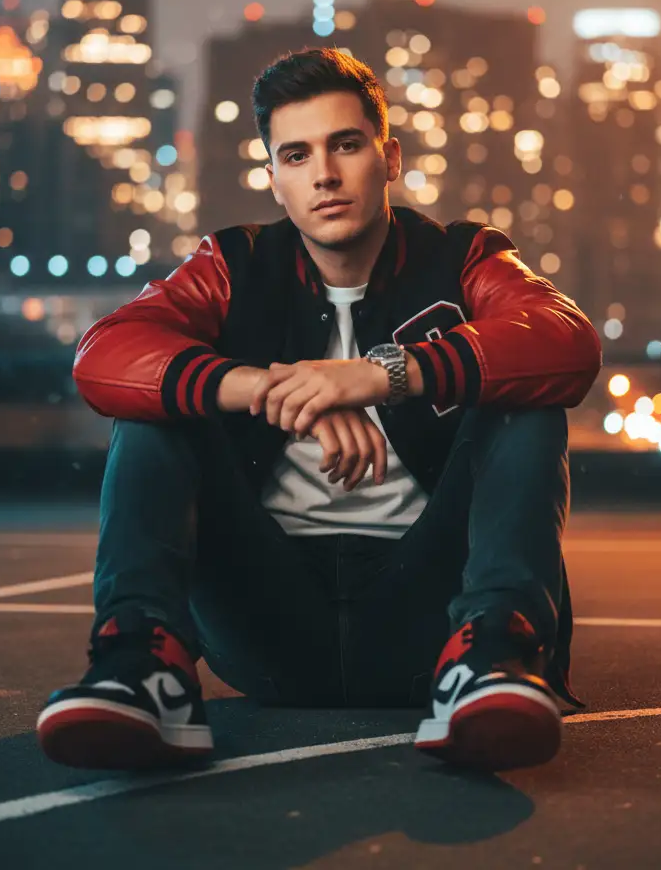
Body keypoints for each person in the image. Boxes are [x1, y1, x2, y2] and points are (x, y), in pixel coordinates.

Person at [36, 47, 602, 774]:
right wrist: (278, 390)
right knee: (154, 401)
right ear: (274, 178)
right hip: (269, 625)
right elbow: (105, 355)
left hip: (428, 621)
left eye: (345, 145)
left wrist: (381, 375)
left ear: (389, 157)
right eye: (296, 156)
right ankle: (142, 667)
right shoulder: (233, 266)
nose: (324, 175)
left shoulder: (462, 257)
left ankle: (491, 656)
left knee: (527, 399)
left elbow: (567, 344)